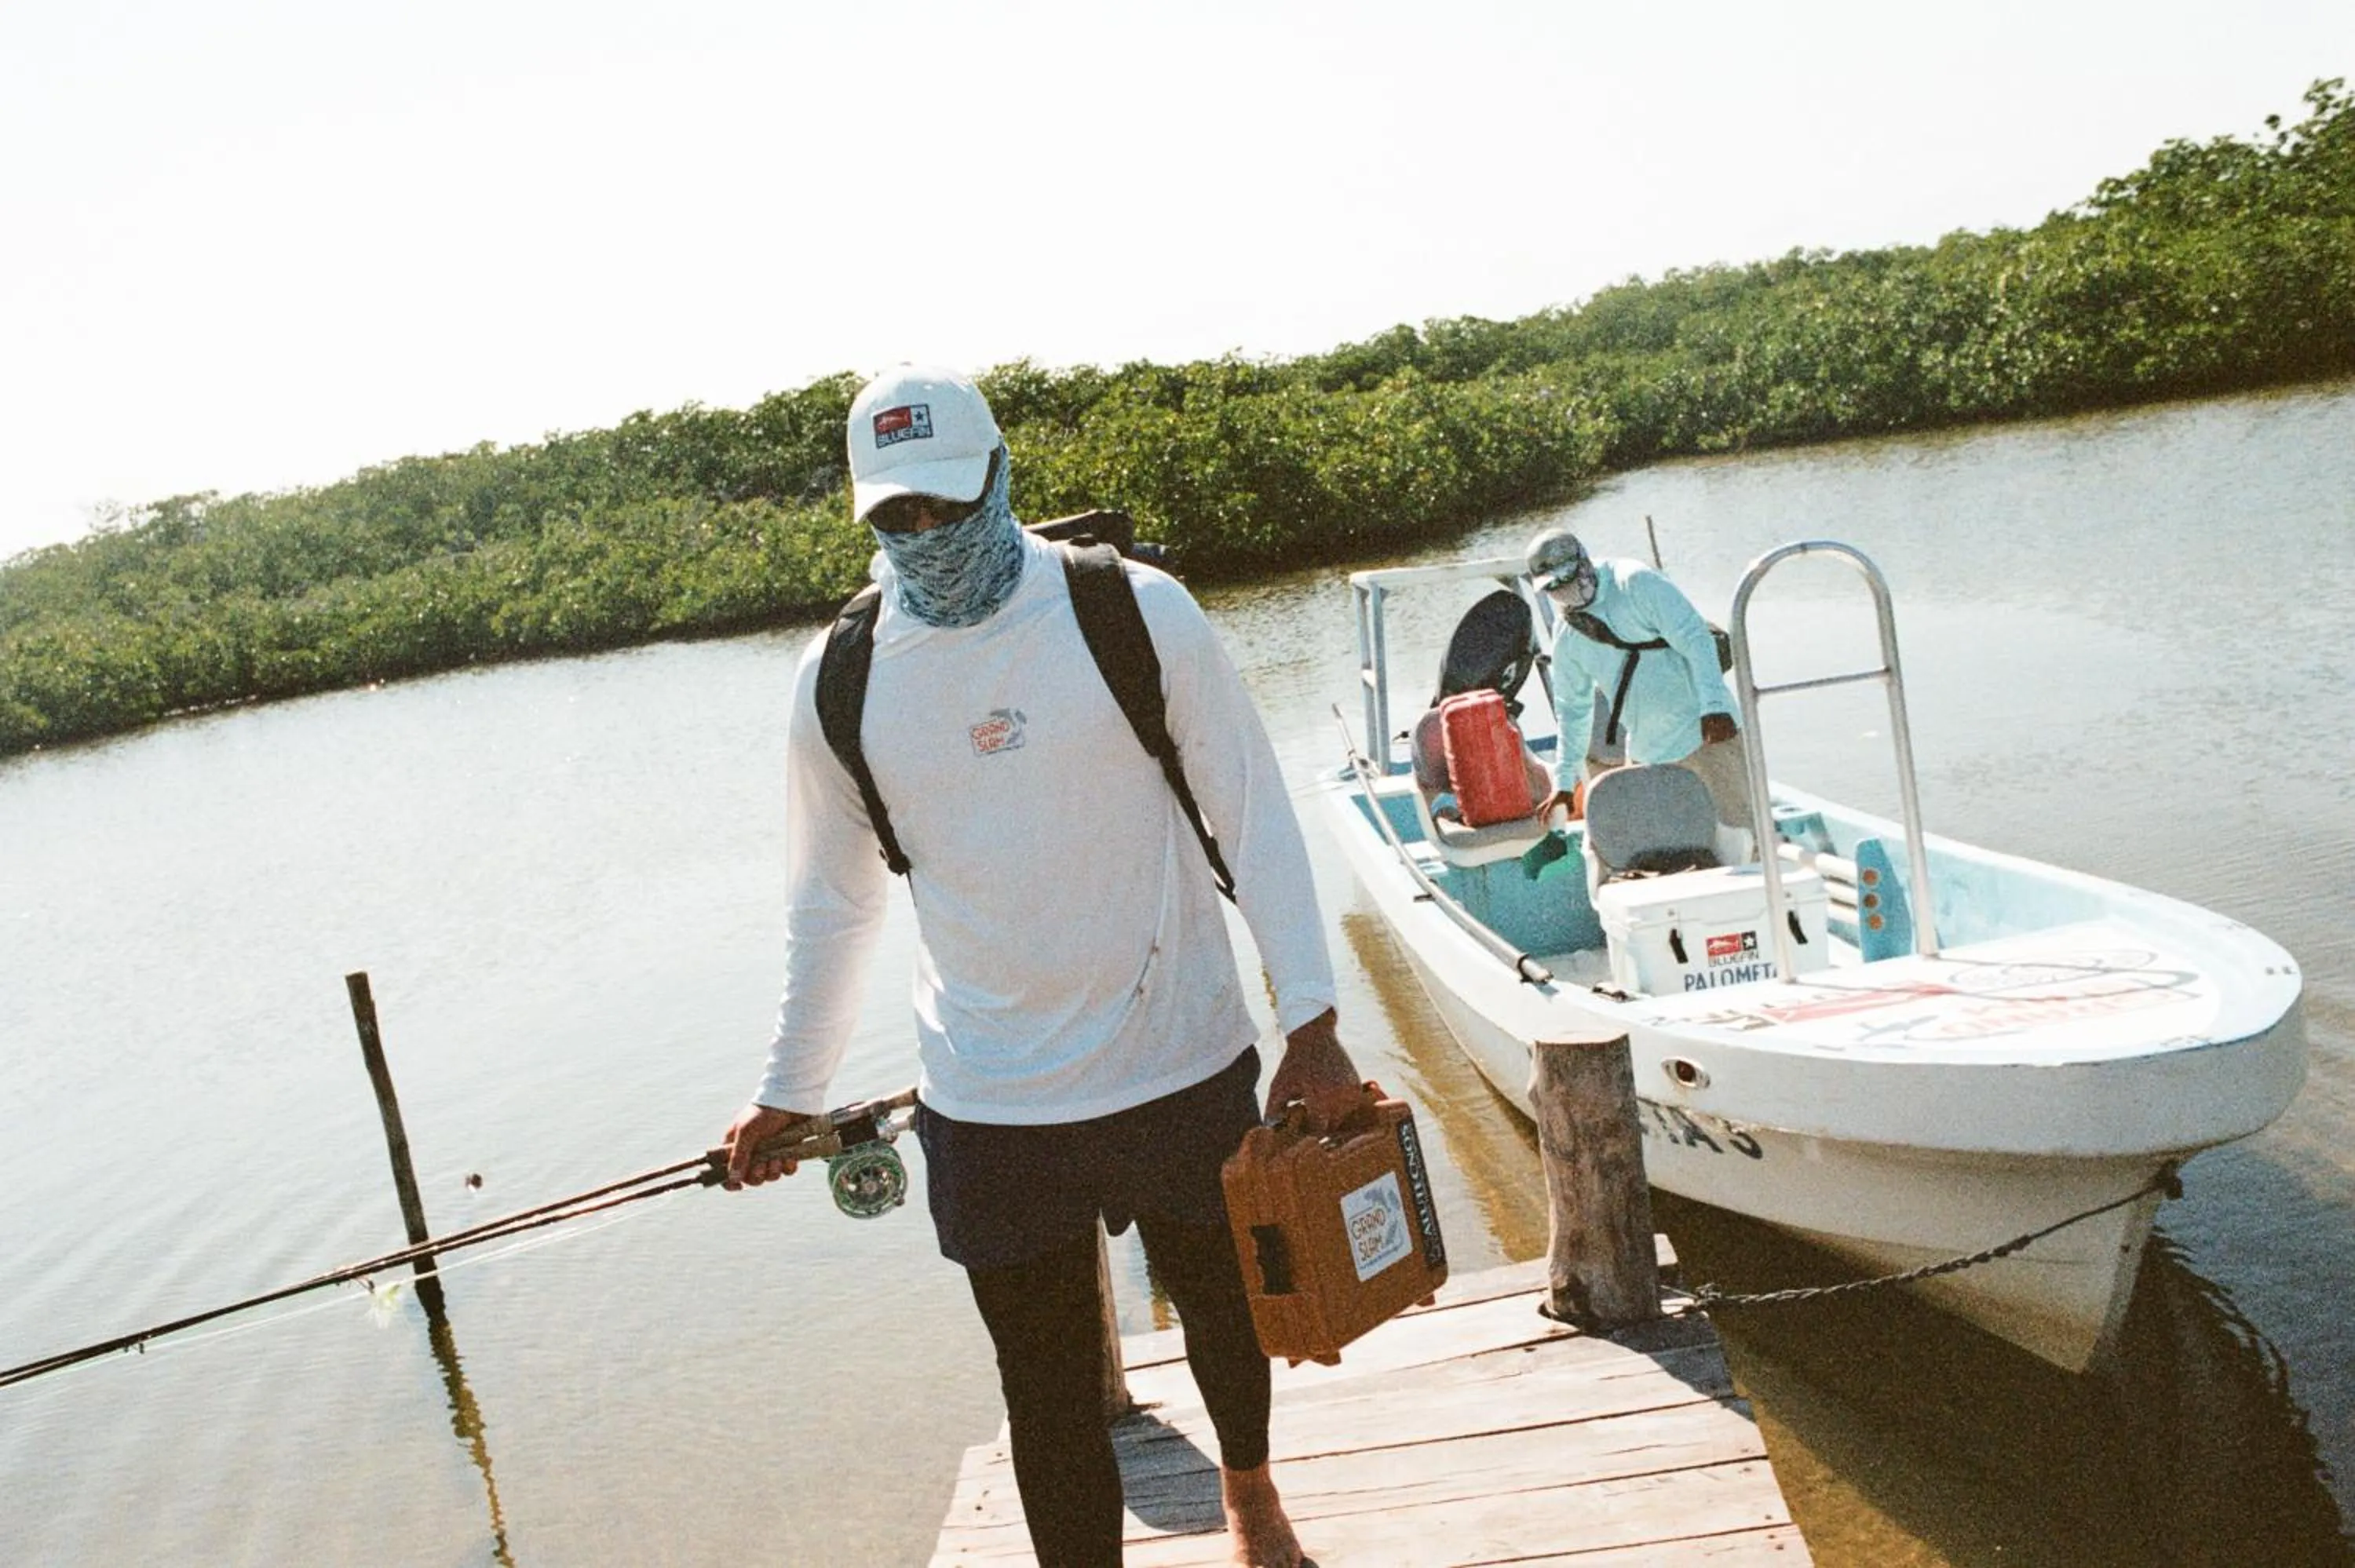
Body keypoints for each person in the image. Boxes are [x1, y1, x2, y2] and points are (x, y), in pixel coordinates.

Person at [721, 364, 1362, 1568]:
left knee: (1225, 1315)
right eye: (896, 517)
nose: (927, 537)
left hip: (1179, 1052)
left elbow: (1255, 818)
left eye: (948, 506)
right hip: (991, 1097)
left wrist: (1313, 1020)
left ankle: (1252, 1493)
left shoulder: (1136, 613)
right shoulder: (843, 677)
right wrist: (786, 1088)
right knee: (1046, 1391)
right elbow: (830, 902)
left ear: (1000, 478)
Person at [1524, 526, 1757, 843]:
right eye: (1553, 587)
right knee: (1664, 848)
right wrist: (1564, 784)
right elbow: (1572, 711)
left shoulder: (1635, 582)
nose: (1563, 591)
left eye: (1567, 579)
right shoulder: (1568, 635)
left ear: (1584, 563)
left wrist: (1714, 706)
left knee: (1744, 837)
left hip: (1704, 734)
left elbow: (1695, 639)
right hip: (1648, 751)